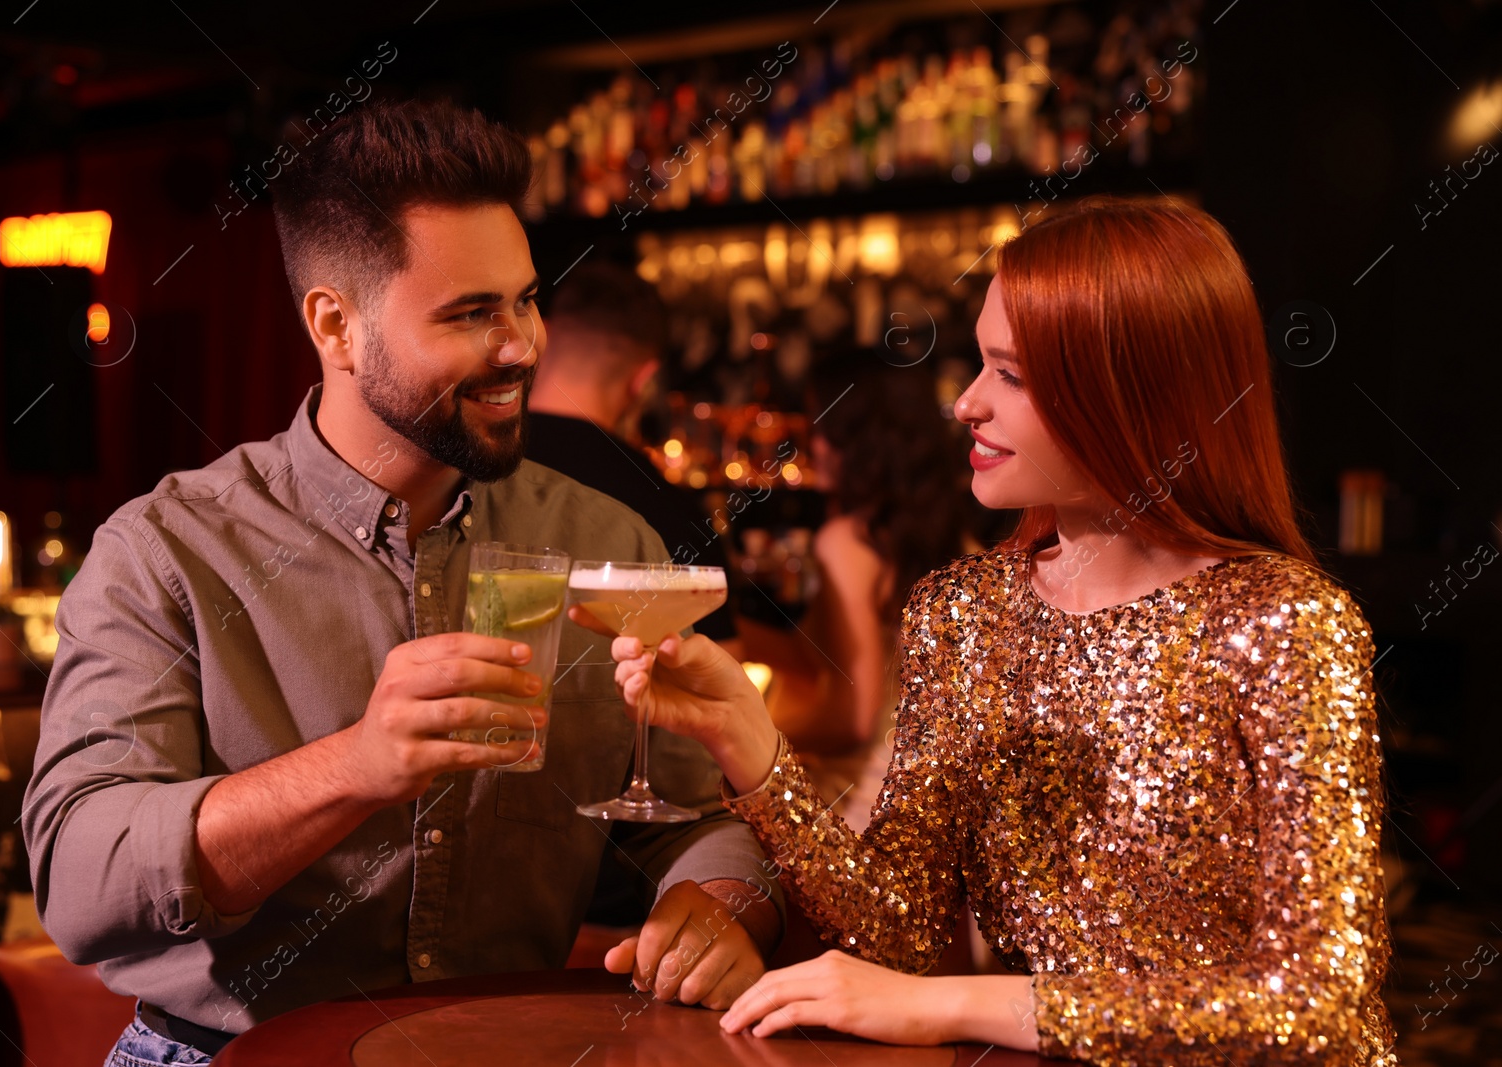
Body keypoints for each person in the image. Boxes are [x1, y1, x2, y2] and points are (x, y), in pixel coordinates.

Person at [22, 97, 781, 1066]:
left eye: (525, 298)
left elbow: (693, 818)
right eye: (470, 313)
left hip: (507, 1047)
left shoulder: (597, 535)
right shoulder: (167, 549)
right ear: (335, 325)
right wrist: (356, 765)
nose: (521, 345)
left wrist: (717, 908)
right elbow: (83, 886)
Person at [592, 197, 1399, 1063]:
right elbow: (896, 929)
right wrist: (748, 740)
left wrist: (962, 1007)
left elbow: (1322, 1004)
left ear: (1130, 393)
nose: (966, 404)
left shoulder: (1283, 622)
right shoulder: (963, 612)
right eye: (981, 365)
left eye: (1011, 375)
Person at [741, 347, 981, 830]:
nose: (815, 446)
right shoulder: (953, 537)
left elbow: (854, 717)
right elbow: (837, 658)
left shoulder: (848, 542)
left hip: (857, 802)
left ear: (863, 439)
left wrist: (744, 740)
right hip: (926, 804)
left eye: (824, 428)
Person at [525, 261, 739, 652]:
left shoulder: (468, 462)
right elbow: (722, 662)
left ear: (544, 335)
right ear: (645, 378)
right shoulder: (668, 505)